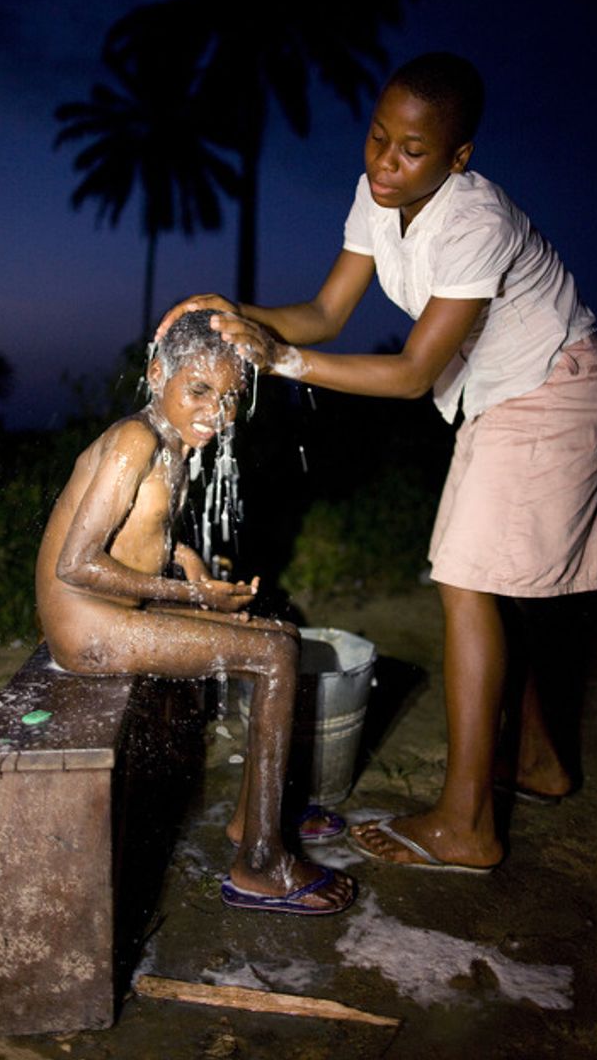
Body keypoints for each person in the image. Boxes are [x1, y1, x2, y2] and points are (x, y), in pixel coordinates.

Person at [157, 53, 597, 874]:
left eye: (411, 150)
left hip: (553, 388)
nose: (384, 161)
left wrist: (283, 362)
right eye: (377, 137)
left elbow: (407, 374)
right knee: (495, 587)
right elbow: (327, 312)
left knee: (466, 580)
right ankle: (539, 763)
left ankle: (467, 824)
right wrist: (238, 312)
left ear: (458, 157)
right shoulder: (378, 197)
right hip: (496, 397)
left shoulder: (478, 223)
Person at [36, 310, 355, 913]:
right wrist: (193, 598)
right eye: (200, 391)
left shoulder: (167, 438)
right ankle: (259, 862)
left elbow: (147, 528)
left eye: (231, 398)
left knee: (276, 635)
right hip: (85, 629)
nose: (218, 412)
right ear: (158, 375)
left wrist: (192, 567)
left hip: (113, 612)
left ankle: (253, 818)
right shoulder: (135, 441)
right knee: (273, 654)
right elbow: (75, 564)